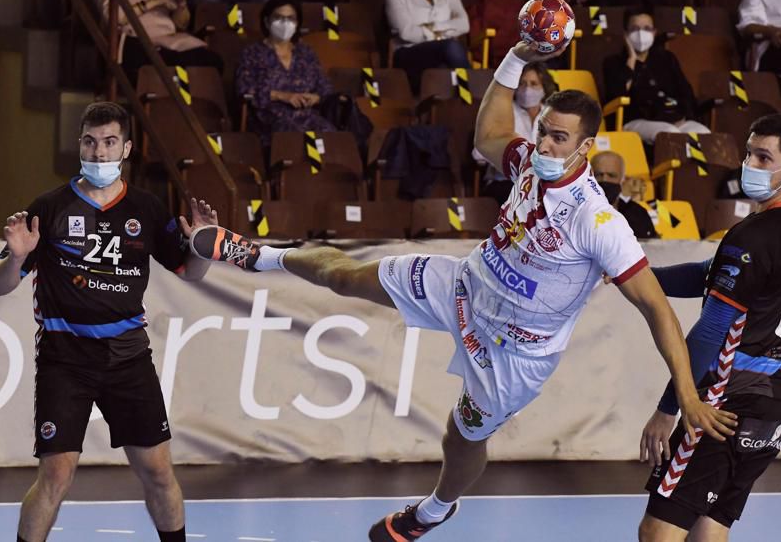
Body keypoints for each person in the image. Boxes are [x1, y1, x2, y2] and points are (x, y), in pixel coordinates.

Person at [186, 39, 737, 541]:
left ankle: (435, 509)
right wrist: (517, 56)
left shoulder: (600, 223)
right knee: (346, 274)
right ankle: (255, 254)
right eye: (543, 127)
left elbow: (658, 312)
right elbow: (488, 135)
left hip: (515, 353)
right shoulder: (527, 162)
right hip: (466, 286)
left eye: (558, 136)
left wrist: (685, 397)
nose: (543, 140)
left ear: (586, 146)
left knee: (462, 436)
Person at [0, 102, 217, 542]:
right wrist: (16, 256)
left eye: (110, 142)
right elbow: (0, 286)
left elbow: (191, 272)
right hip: (65, 358)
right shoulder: (49, 207)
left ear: (126, 147)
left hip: (128, 356)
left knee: (157, 469)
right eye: (91, 142)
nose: (99, 153)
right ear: (80, 145)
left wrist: (202, 248)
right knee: (56, 475)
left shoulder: (147, 209)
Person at [636, 113, 781, 542]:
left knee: (658, 532)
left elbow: (711, 331)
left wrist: (671, 406)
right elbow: (707, 272)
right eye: (749, 153)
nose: (749, 164)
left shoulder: (751, 237)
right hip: (770, 409)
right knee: (707, 531)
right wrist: (635, 273)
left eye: (762, 156)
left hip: (725, 407)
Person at [236, 0, 335, 146]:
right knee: (293, 135)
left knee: (331, 135)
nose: (285, 23)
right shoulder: (252, 53)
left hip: (307, 117)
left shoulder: (306, 52)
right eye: (279, 18)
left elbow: (325, 88)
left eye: (291, 18)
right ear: (267, 21)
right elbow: (244, 90)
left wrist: (315, 97)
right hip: (270, 120)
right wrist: (281, 96)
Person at [603, 8, 709, 144]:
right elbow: (617, 95)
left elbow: (685, 92)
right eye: (635, 28)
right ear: (626, 34)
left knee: (704, 135)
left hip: (674, 120)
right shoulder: (613, 63)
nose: (641, 33)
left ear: (654, 32)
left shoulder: (666, 59)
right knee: (671, 134)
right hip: (635, 121)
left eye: (647, 28)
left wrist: (683, 117)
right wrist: (631, 60)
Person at [102, 0, 224, 83]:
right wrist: (156, 1)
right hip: (134, 40)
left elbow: (181, 24)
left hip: (168, 39)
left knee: (211, 61)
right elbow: (114, 18)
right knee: (179, 62)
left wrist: (181, 2)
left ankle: (195, 108)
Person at [479, 62, 558, 204]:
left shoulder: (553, 115)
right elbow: (479, 154)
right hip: (505, 183)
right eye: (522, 83)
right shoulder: (502, 111)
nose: (527, 89)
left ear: (544, 88)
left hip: (543, 183)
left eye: (534, 84)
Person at [386, 0, 471, 94]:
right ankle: (470, 97)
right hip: (409, 53)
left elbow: (464, 24)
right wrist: (445, 31)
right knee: (451, 47)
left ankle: (463, 103)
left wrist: (431, 28)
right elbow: (406, 32)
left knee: (443, 69)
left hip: (443, 55)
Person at [591, 150, 658, 239]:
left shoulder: (638, 214)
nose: (605, 179)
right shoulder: (574, 212)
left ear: (623, 180)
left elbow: (653, 248)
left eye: (611, 175)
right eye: (599, 175)